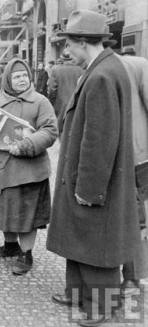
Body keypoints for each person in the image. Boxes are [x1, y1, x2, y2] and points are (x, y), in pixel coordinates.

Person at [46, 10, 140, 326]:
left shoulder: (101, 75)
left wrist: (89, 188)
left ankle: (103, 306)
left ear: (84, 41)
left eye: (68, 44)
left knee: (98, 244)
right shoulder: (102, 67)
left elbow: (98, 141)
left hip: (95, 180)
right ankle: (77, 294)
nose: (64, 51)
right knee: (81, 236)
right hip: (89, 175)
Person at [0, 58, 58, 275]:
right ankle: (10, 246)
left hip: (28, 173)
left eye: (24, 76)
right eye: (16, 76)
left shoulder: (41, 102)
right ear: (8, 79)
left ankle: (26, 254)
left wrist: (27, 145)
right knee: (4, 212)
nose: (21, 80)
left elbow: (49, 131)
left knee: (26, 216)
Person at [116, 46, 148, 297]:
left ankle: (134, 277)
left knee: (137, 218)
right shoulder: (89, 72)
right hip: (112, 157)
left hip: (138, 157)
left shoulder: (137, 66)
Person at [47, 52, 84, 123]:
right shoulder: (81, 69)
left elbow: (52, 89)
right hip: (76, 105)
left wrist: (51, 103)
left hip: (60, 105)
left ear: (62, 58)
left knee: (60, 129)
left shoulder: (56, 69)